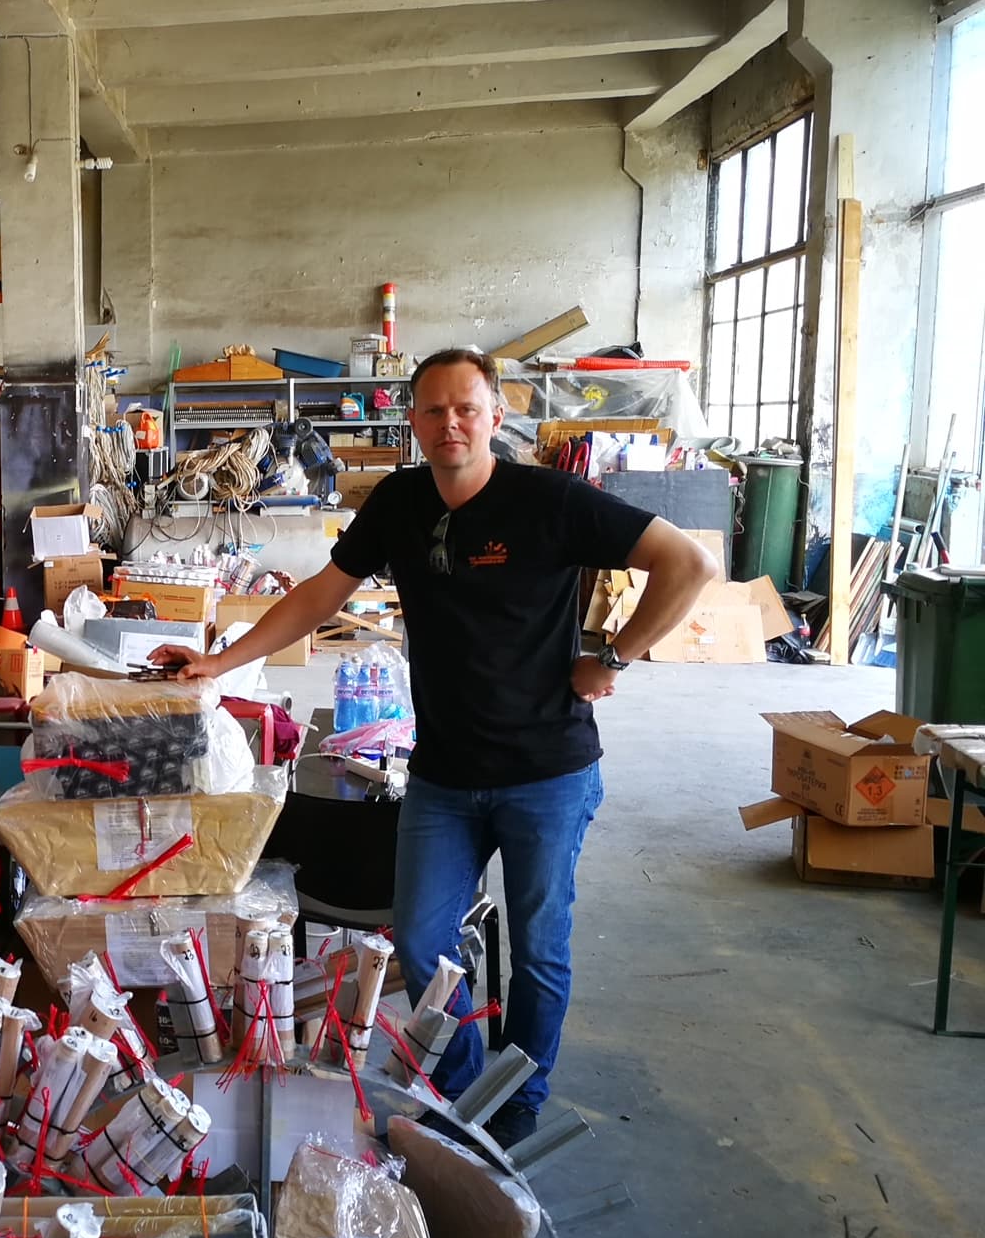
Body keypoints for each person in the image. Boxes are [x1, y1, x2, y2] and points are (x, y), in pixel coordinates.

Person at [155, 348, 717, 1145]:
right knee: (421, 941)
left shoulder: (551, 500)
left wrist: (613, 657)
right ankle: (461, 1095)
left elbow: (689, 563)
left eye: (466, 408)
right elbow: (321, 594)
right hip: (444, 777)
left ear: (494, 416)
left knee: (539, 949)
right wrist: (220, 659)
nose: (450, 423)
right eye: (432, 409)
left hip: (546, 773)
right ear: (411, 420)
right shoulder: (399, 501)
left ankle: (517, 1105)